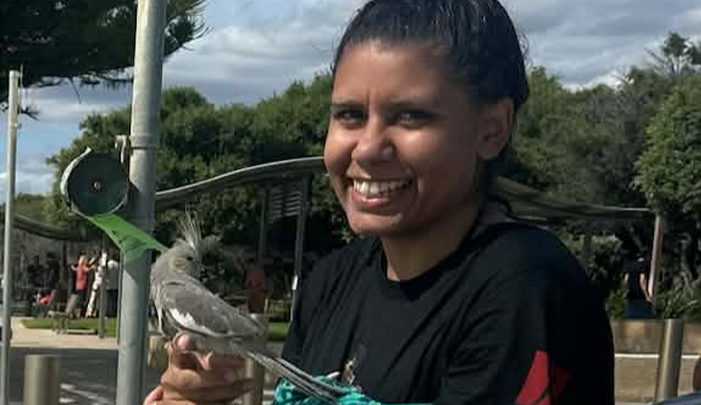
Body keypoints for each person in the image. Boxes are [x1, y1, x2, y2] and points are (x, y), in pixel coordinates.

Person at [144, 1, 615, 404]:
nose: (368, 148)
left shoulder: (527, 292)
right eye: (350, 115)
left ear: (492, 129)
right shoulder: (331, 283)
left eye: (410, 116)